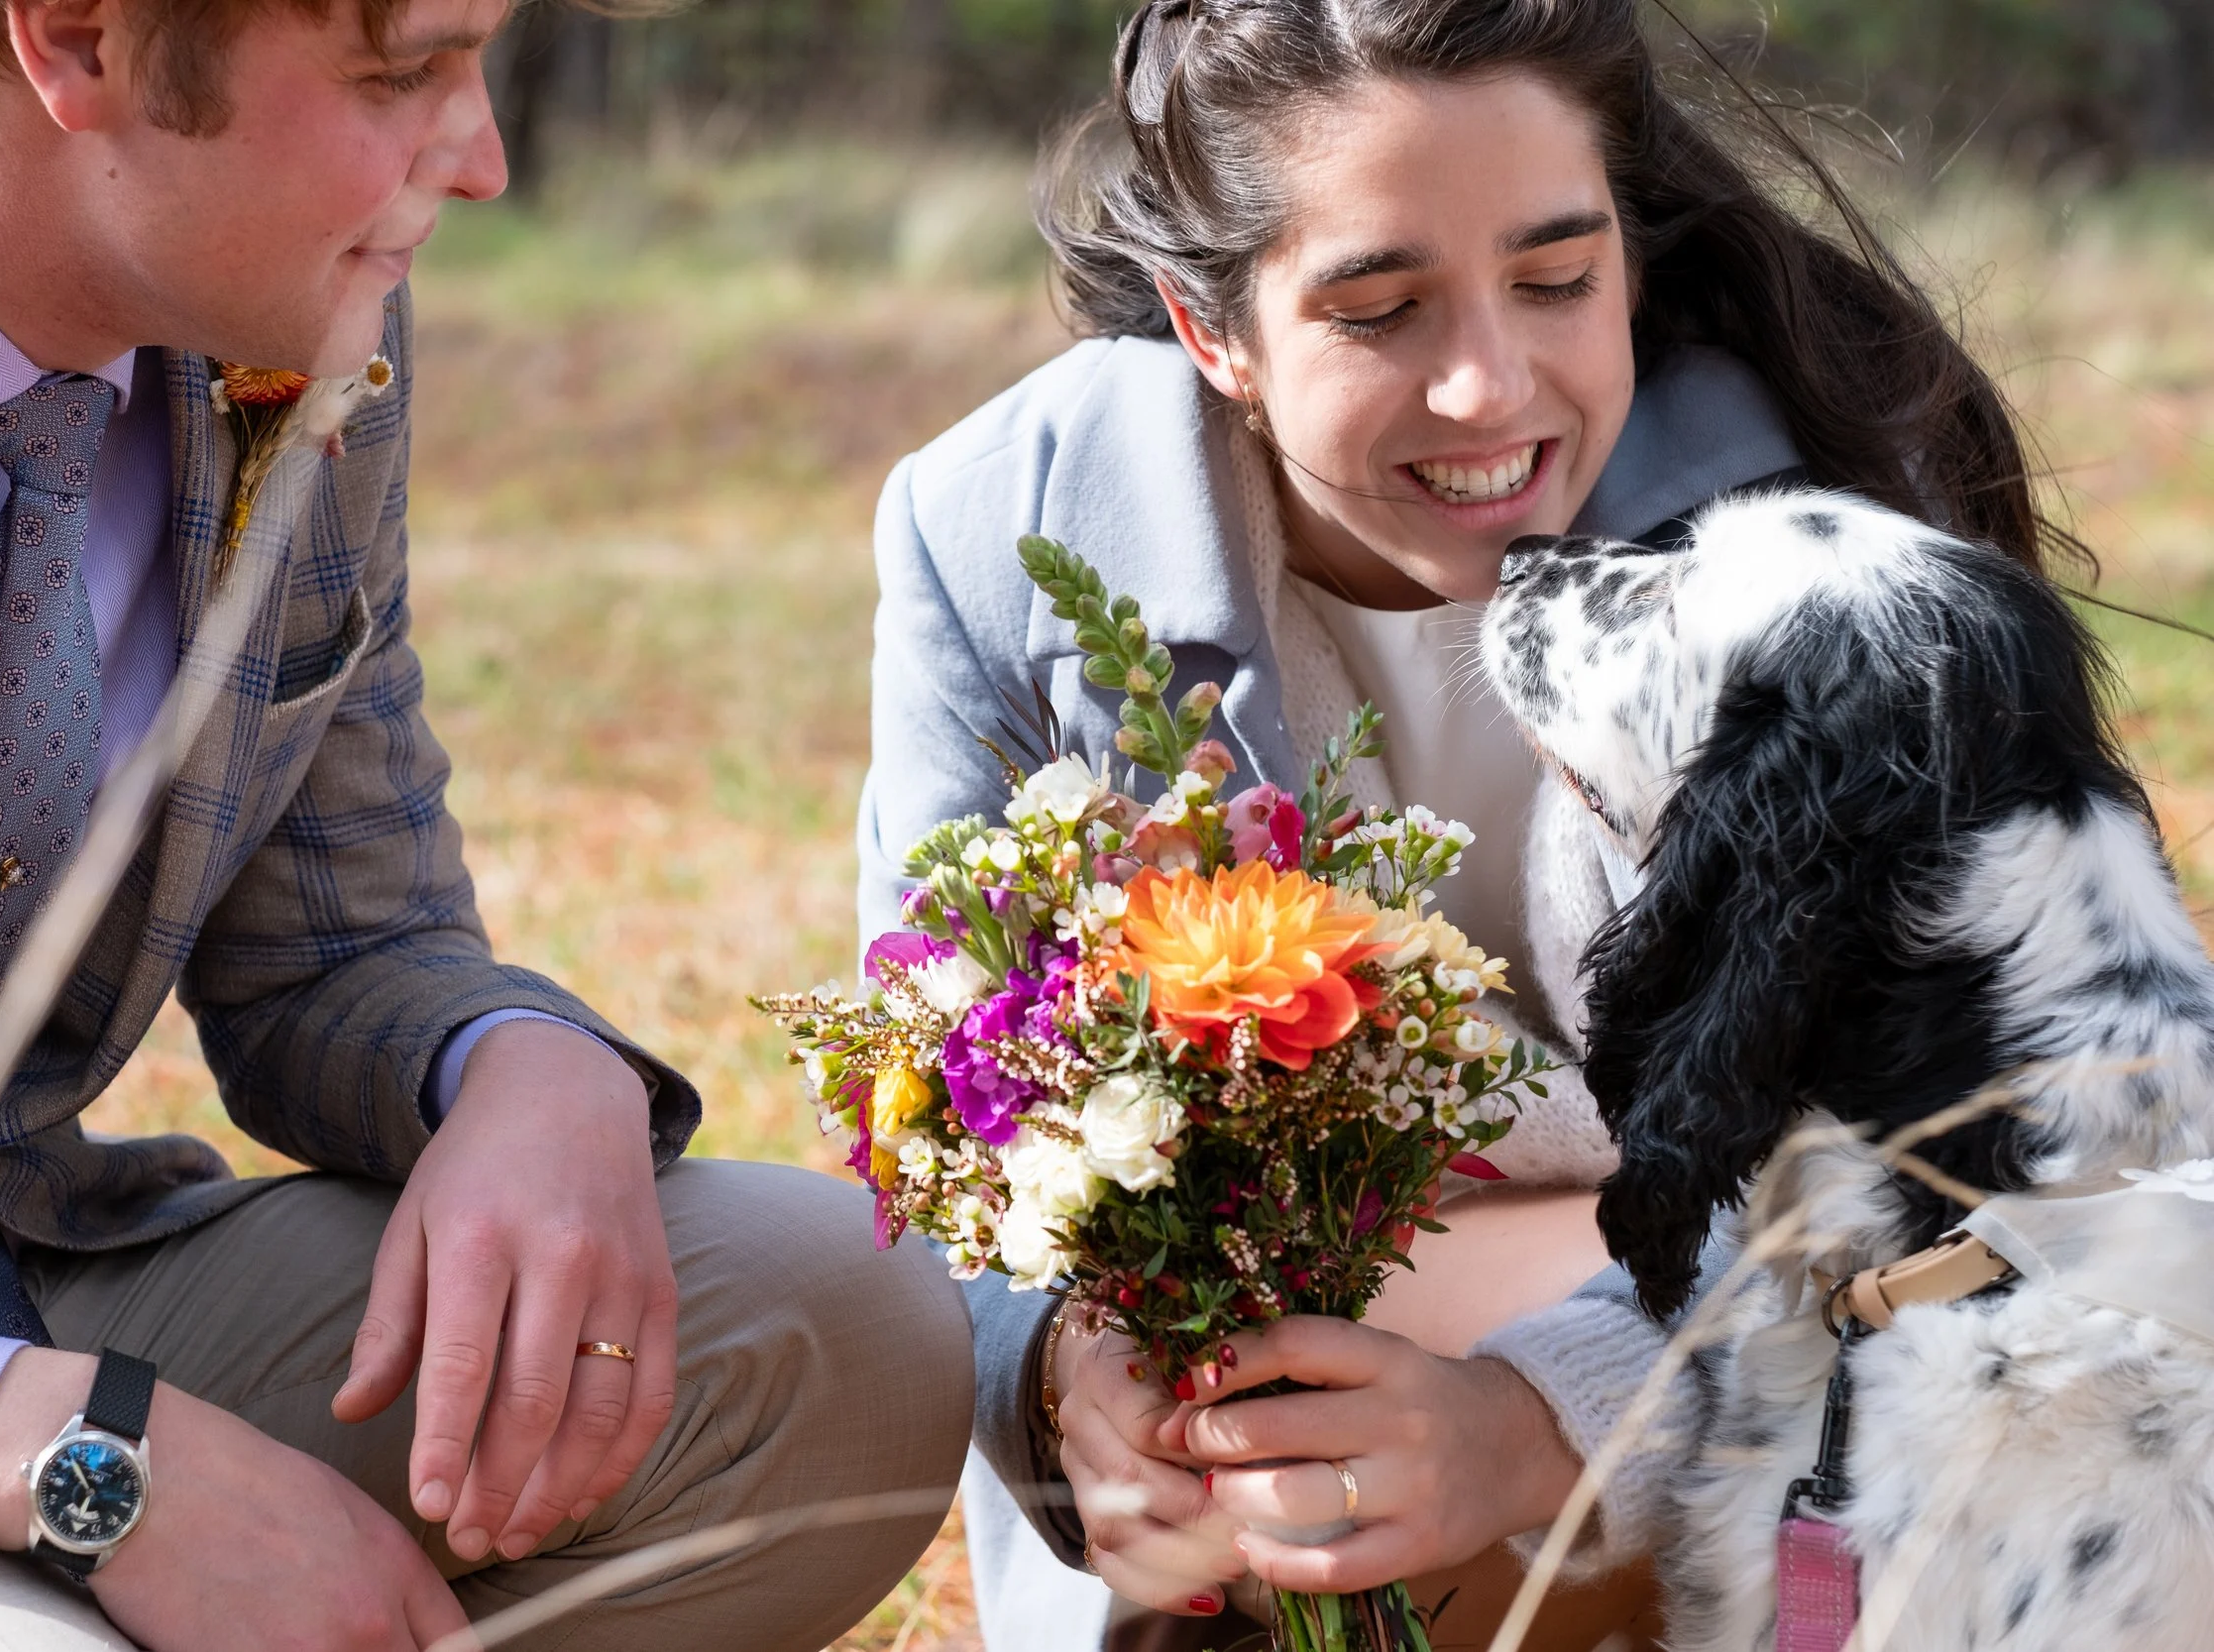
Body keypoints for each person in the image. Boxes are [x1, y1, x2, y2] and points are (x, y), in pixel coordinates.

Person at [0, 3, 971, 1649]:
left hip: (31, 1252)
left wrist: (530, 1071)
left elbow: (343, 938)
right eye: (404, 76)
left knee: (835, 1324)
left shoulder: (284, 308)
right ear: (80, 37)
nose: (483, 161)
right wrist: (60, 1456)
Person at [856, 0, 2069, 1645]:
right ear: (1209, 330)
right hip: (1278, 1414)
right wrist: (1067, 1368)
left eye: (1558, 280)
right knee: (1266, 1406)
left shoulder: (1831, 554)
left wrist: (1538, 1416)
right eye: (1377, 308)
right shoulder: (994, 532)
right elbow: (944, 1100)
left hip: (1770, 1344)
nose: (1488, 385)